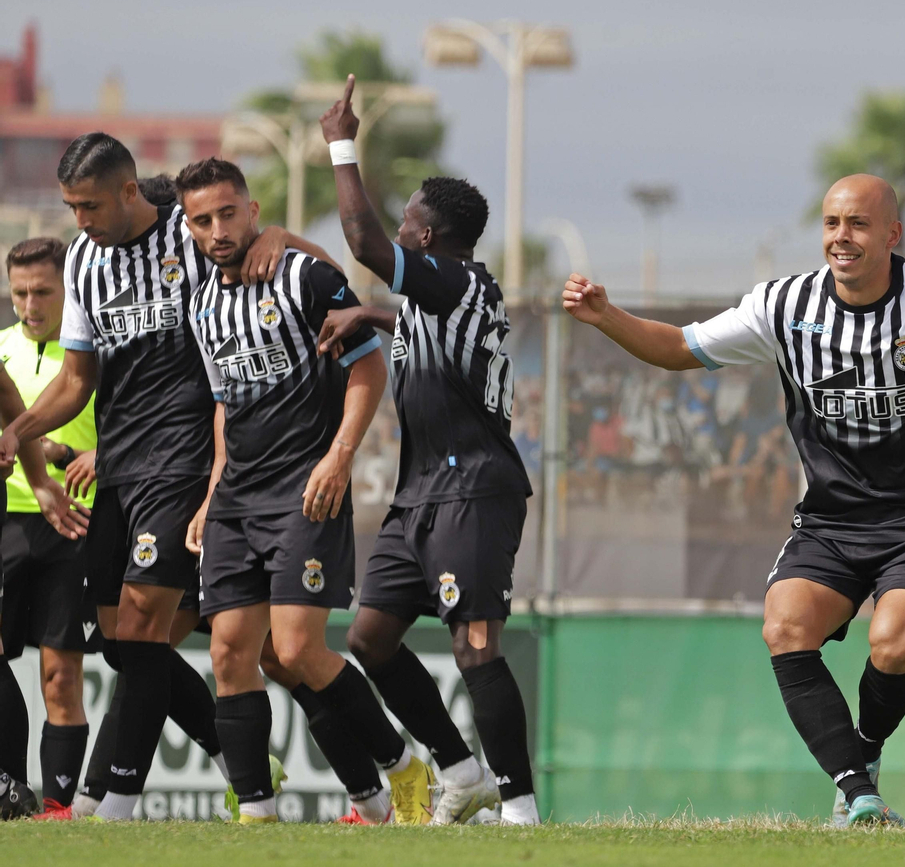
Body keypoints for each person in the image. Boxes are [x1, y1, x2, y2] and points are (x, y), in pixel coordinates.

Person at [562, 173, 905, 825]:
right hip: (833, 518)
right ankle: (858, 794)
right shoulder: (784, 306)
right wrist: (606, 315)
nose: (842, 236)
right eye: (833, 223)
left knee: (893, 643)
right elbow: (679, 349)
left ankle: (863, 756)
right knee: (784, 625)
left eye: (859, 224)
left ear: (892, 235)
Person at [0, 133, 325, 820]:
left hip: (186, 461)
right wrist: (16, 431)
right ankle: (235, 756)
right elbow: (77, 379)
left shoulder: (191, 232)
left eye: (89, 204)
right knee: (120, 645)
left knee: (147, 628)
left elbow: (300, 269)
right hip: (118, 465)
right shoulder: (85, 259)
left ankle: (110, 800)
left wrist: (286, 236)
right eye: (70, 206)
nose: (79, 220)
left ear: (127, 192)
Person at [173, 157, 435, 825]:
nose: (217, 229)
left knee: (294, 649)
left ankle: (402, 764)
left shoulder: (301, 275)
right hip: (235, 498)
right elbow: (225, 404)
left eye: (228, 213)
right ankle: (257, 815)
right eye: (201, 220)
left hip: (306, 490)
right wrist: (210, 492)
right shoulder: (202, 303)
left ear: (253, 211)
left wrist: (340, 456)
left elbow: (367, 368)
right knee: (232, 650)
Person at [313, 77, 539, 826]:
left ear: (427, 240)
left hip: (475, 487)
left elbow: (361, 242)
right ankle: (460, 768)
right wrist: (369, 314)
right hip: (419, 495)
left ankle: (521, 811)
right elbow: (412, 321)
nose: (398, 232)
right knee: (370, 636)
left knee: (476, 646)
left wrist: (341, 144)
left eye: (408, 224)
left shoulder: (455, 282)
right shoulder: (434, 301)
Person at [0, 238, 101, 819]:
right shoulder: (4, 352)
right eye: (19, 293)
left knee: (60, 675)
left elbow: (133, 426)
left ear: (68, 290)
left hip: (72, 524)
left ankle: (58, 809)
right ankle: (11, 787)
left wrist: (89, 457)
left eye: (43, 291)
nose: (30, 304)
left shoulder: (89, 355)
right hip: (6, 525)